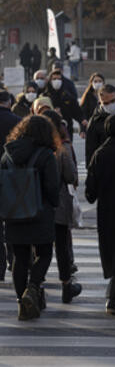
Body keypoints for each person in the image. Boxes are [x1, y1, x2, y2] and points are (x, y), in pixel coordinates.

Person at [2, 115, 60, 320]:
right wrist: (54, 204)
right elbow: (53, 187)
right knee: (44, 254)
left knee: (19, 257)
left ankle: (21, 302)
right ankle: (33, 288)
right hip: (40, 211)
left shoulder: (8, 153)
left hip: (13, 213)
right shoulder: (46, 155)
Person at [42, 110, 81, 304]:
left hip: (37, 207)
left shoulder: (34, 147)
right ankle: (66, 285)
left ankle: (35, 286)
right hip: (58, 205)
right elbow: (71, 176)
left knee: (39, 249)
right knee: (62, 248)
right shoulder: (62, 148)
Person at [0, 90, 21, 283]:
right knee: (12, 223)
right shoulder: (17, 121)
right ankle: (14, 261)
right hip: (11, 176)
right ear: (9, 102)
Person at [43, 69, 86, 138]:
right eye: (54, 79)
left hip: (66, 130)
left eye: (59, 79)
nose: (57, 81)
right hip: (49, 131)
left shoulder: (67, 96)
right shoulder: (44, 97)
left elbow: (77, 112)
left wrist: (82, 121)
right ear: (50, 81)